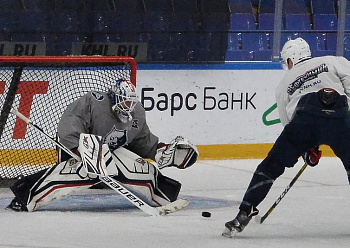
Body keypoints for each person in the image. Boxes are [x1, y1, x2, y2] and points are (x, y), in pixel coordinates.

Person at [7, 78, 198, 212]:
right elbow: (70, 122)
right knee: (77, 171)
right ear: (114, 97)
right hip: (80, 151)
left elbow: (141, 139)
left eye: (130, 102)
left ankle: (163, 194)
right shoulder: (93, 102)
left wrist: (159, 150)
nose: (127, 107)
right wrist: (78, 148)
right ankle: (26, 196)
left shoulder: (137, 113)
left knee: (143, 168)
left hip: (109, 156)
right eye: (123, 101)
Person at [223, 37, 350, 236]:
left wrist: (307, 148)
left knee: (270, 166)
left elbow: (289, 123)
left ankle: (244, 212)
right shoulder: (332, 60)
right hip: (341, 116)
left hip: (304, 120)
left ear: (291, 59)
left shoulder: (284, 84)